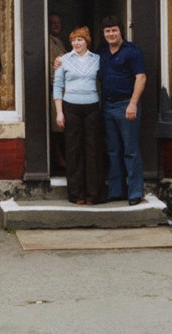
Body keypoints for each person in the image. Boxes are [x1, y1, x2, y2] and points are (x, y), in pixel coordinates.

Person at [52, 23, 105, 205]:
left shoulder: (97, 59)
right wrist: (59, 113)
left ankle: (93, 195)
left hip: (92, 107)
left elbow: (104, 81)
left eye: (80, 39)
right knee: (73, 150)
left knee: (93, 150)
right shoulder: (63, 60)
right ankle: (76, 195)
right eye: (73, 40)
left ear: (87, 41)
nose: (76, 43)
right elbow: (57, 87)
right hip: (70, 108)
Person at [97, 18, 148, 205]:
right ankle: (116, 190)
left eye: (114, 30)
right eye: (107, 31)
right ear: (104, 34)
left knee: (131, 150)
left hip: (126, 105)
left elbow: (141, 78)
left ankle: (135, 192)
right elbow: (82, 61)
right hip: (107, 107)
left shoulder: (131, 51)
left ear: (121, 32)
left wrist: (133, 104)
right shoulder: (101, 52)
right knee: (112, 150)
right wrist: (59, 62)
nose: (111, 34)